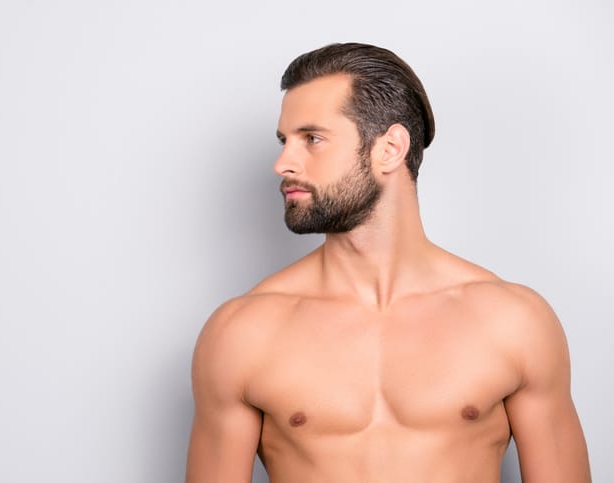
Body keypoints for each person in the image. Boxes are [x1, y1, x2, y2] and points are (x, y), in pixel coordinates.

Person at [185, 43, 591, 483]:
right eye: (285, 141)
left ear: (390, 149)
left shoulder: (513, 321)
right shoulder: (242, 331)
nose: (283, 163)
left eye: (312, 139)